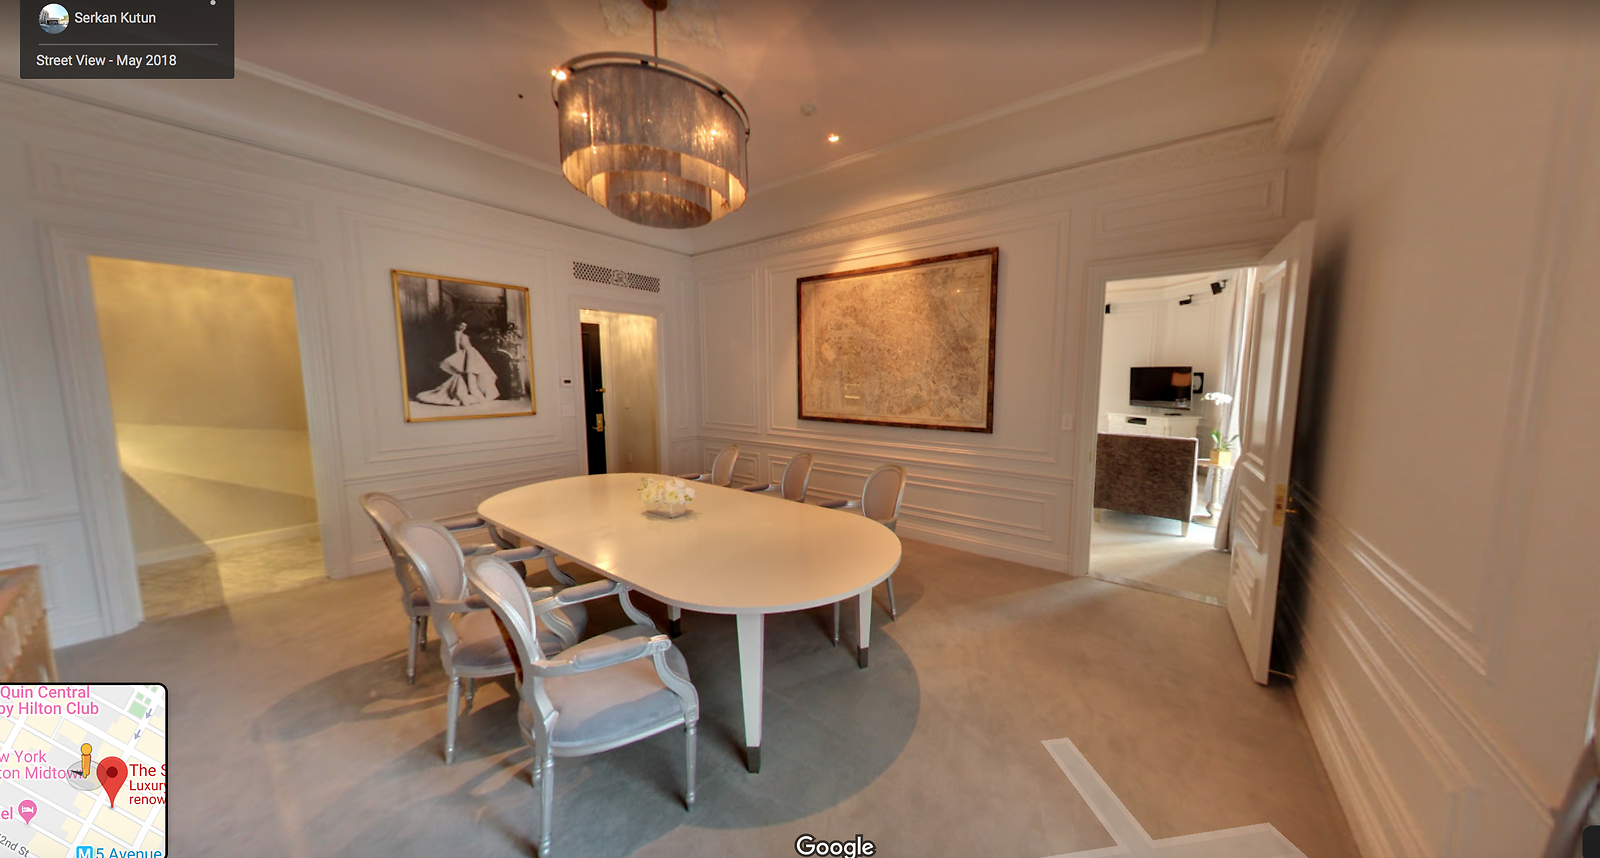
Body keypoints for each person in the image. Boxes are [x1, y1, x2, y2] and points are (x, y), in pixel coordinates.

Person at [416, 321, 500, 406]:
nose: (463, 327)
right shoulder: (457, 333)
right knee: (469, 373)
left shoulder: (466, 335)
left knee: (478, 372)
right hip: (466, 354)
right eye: (461, 325)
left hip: (472, 353)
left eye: (464, 326)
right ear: (457, 325)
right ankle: (474, 393)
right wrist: (459, 358)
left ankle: (479, 393)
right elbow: (457, 347)